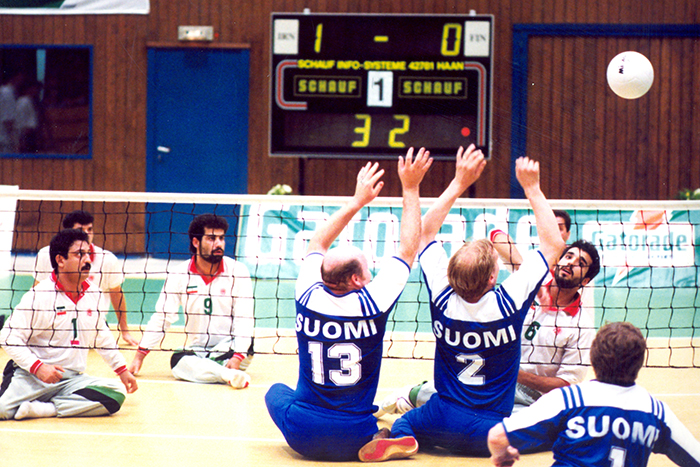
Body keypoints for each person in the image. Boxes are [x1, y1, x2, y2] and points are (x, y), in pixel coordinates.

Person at [359, 147, 566, 461]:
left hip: (441, 415)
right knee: (558, 429)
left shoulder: (443, 295)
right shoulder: (508, 301)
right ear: (492, 280)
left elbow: (425, 233)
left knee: (405, 422)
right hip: (492, 427)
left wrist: (458, 181)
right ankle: (500, 449)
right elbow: (554, 245)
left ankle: (396, 437)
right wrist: (532, 188)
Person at [265, 148, 432, 462]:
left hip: (303, 433)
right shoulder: (374, 301)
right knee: (380, 419)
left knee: (274, 391)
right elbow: (409, 249)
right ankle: (382, 436)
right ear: (356, 279)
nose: (372, 272)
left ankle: (377, 436)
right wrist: (410, 188)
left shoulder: (306, 293)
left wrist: (357, 200)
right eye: (367, 268)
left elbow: (317, 243)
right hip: (354, 433)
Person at [375, 238, 601, 416]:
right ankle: (409, 398)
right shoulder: (527, 291)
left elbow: (565, 384)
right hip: (490, 378)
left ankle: (428, 412)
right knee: (446, 394)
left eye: (580, 264)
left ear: (585, 281)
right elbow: (497, 237)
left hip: (531, 398)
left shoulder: (581, 326)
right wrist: (536, 284)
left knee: (523, 423)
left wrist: (515, 374)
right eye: (568, 256)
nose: (571, 263)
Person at [488, 321, 700, 467]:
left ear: (593, 356)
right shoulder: (656, 412)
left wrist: (503, 456)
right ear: (639, 362)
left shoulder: (568, 399)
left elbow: (497, 436)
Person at [0, 228, 138, 420]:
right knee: (1, 410)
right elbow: (8, 336)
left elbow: (101, 335)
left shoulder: (94, 294)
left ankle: (45, 409)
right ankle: (48, 403)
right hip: (31, 376)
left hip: (71, 379)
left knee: (115, 394)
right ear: (60, 260)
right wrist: (38, 367)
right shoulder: (40, 296)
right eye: (79, 255)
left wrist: (121, 370)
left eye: (88, 254)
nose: (88, 260)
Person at [128, 214, 255, 389]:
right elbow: (162, 318)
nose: (219, 244)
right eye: (211, 238)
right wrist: (139, 356)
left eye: (221, 238)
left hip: (230, 347)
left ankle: (220, 370)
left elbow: (244, 318)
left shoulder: (238, 271)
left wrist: (238, 355)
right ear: (196, 242)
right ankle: (227, 374)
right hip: (199, 350)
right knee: (178, 360)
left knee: (247, 345)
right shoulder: (179, 274)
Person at [34, 210, 139, 346]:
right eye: (80, 230)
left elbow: (116, 294)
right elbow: (36, 291)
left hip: (90, 323)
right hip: (54, 321)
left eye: (90, 229)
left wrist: (125, 331)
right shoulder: (45, 255)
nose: (86, 234)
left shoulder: (107, 260)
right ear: (67, 232)